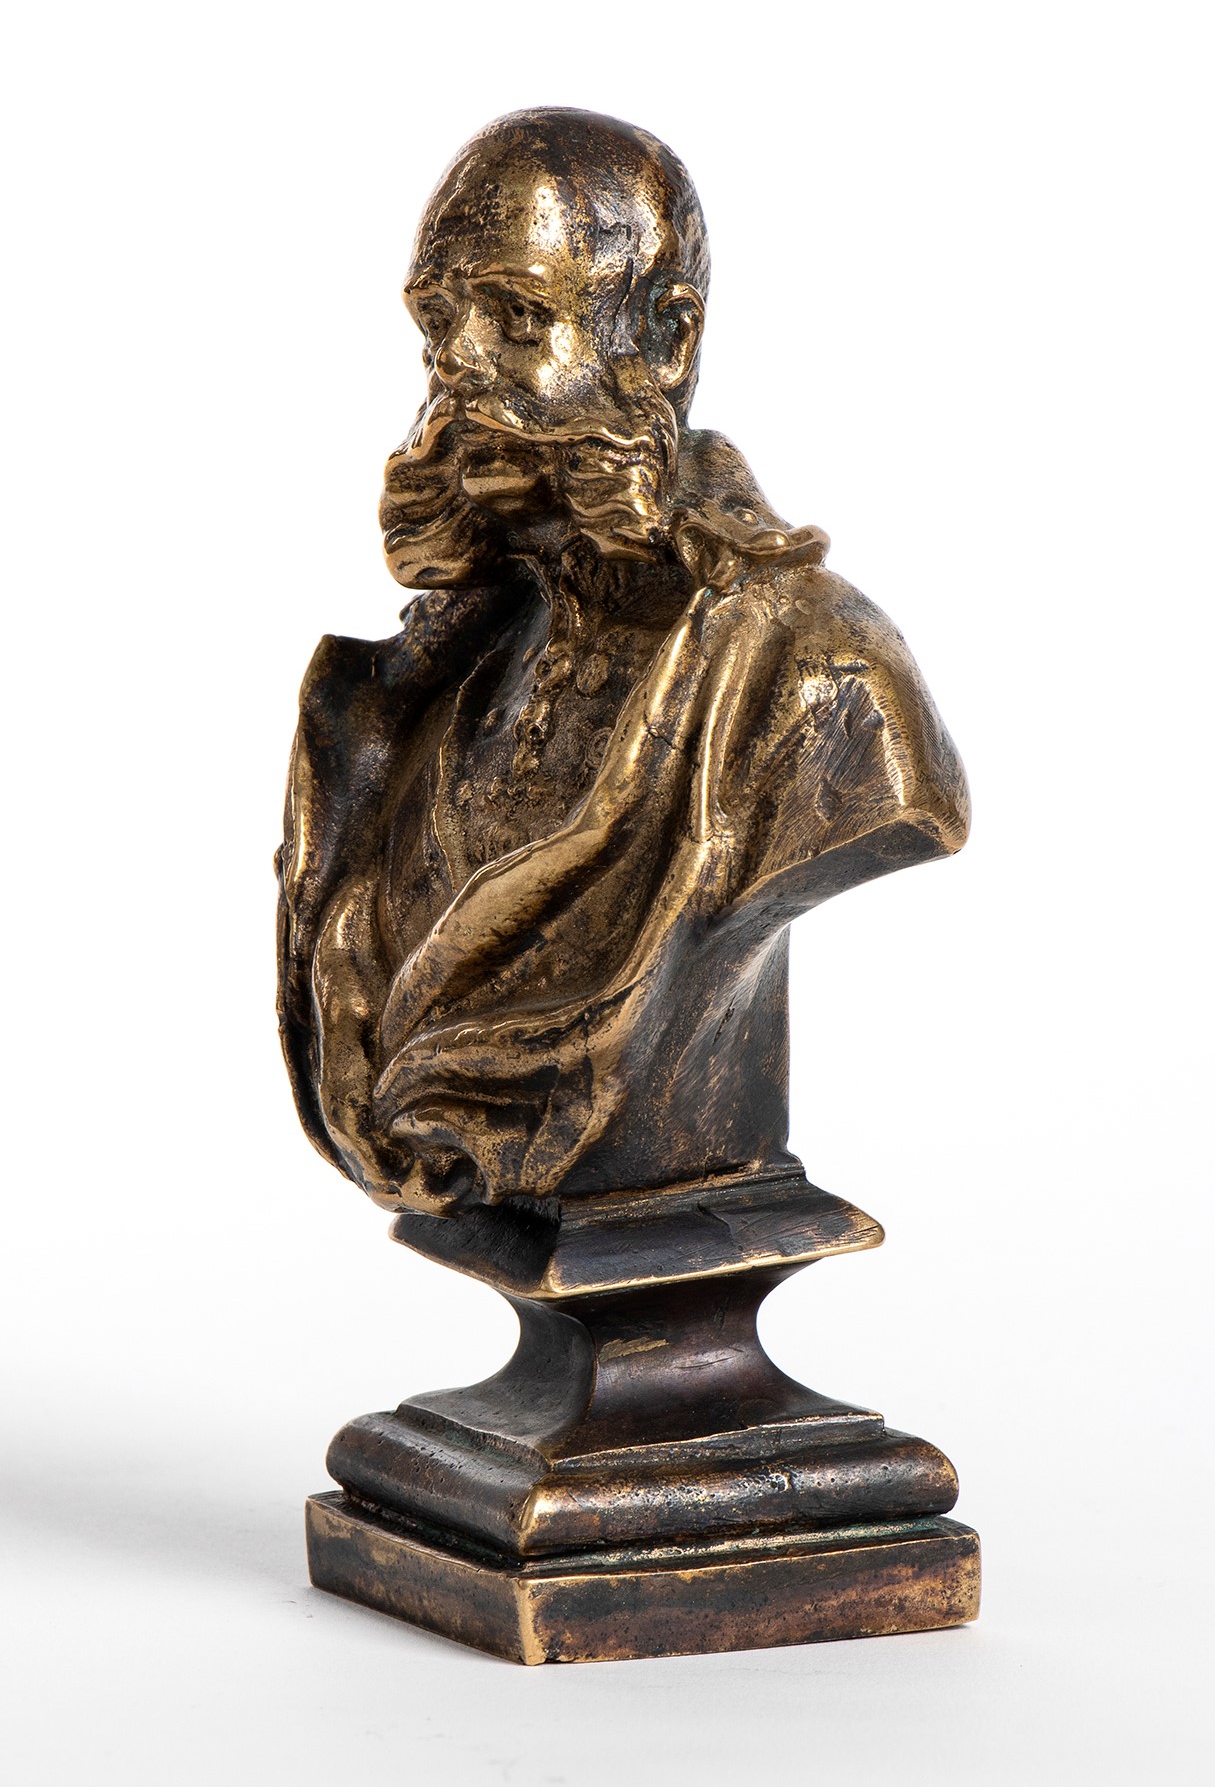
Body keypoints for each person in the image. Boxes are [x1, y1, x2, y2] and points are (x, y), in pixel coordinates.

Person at [277, 107, 969, 1217]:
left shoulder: (823, 676)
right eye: (438, 324)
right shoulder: (431, 680)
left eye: (515, 316)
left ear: (666, 338)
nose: (457, 369)